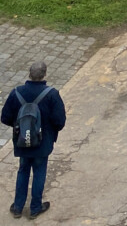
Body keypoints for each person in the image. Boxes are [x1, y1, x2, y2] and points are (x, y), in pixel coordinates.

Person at [1, 62, 66, 220]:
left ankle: (17, 207)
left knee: (23, 170)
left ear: (29, 74)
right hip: (42, 143)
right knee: (39, 172)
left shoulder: (17, 92)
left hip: (22, 141)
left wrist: (22, 128)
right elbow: (59, 121)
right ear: (44, 75)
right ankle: (35, 208)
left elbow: (5, 117)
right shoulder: (52, 94)